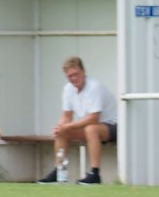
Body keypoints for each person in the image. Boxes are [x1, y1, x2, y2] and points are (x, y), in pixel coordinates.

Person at [37, 56, 117, 185]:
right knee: (62, 131)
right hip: (93, 125)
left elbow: (93, 118)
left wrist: (68, 126)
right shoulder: (68, 89)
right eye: (70, 76)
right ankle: (59, 171)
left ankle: (95, 174)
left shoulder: (94, 87)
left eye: (76, 74)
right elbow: (67, 115)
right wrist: (60, 126)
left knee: (91, 129)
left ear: (83, 72)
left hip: (114, 125)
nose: (74, 78)